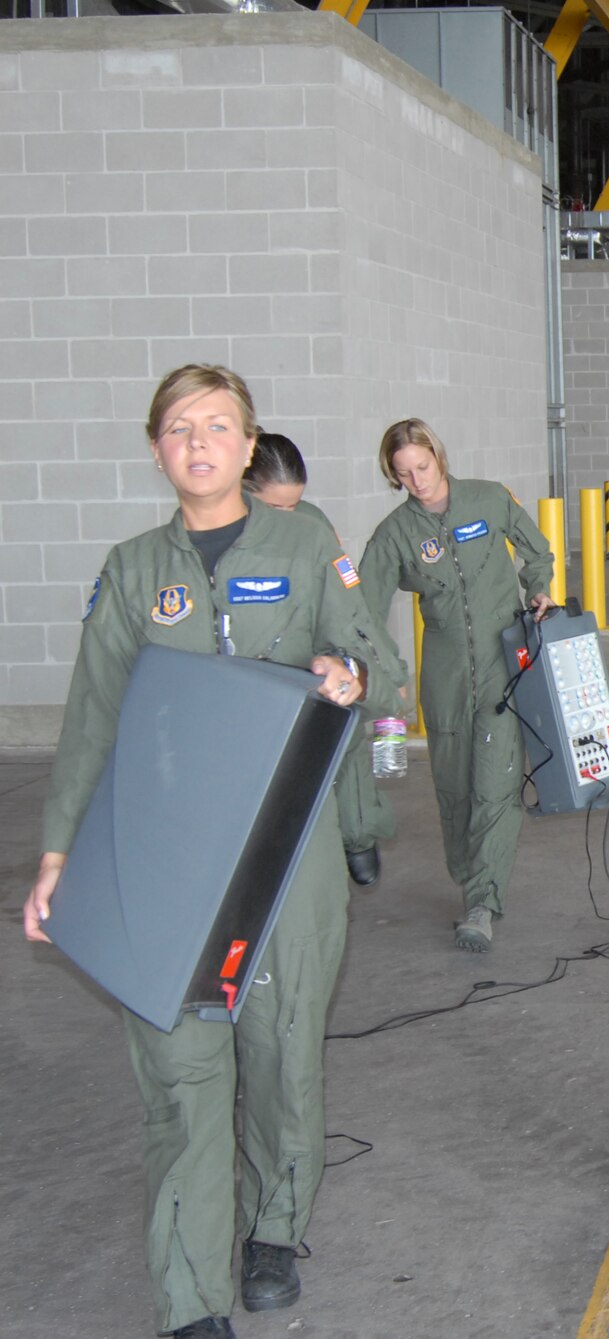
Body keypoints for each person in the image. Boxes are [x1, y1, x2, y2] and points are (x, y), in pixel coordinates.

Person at [23, 364, 396, 1339]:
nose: (199, 442)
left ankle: (273, 1227)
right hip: (167, 857)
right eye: (180, 427)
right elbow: (93, 721)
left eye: (218, 425)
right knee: (183, 1076)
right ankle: (191, 1296)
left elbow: (374, 658)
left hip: (288, 855)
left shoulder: (307, 543)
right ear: (158, 448)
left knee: (280, 1055)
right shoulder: (133, 570)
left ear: (246, 442)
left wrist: (347, 672)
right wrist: (61, 856)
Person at [360, 419, 554, 952]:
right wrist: (384, 674)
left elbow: (538, 552)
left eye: (421, 467)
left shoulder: (489, 500)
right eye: (403, 475)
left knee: (495, 784)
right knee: (454, 791)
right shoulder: (395, 534)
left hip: (501, 664)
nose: (416, 482)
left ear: (439, 457)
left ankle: (482, 902)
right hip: (443, 672)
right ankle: (470, 881)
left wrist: (538, 590)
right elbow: (363, 611)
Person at [243, 433, 410, 888]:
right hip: (258, 684)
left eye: (295, 504)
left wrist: (388, 671)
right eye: (276, 508)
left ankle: (358, 834)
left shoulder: (314, 527)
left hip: (319, 662)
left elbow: (352, 607)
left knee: (346, 744)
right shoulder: (224, 540)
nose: (289, 517)